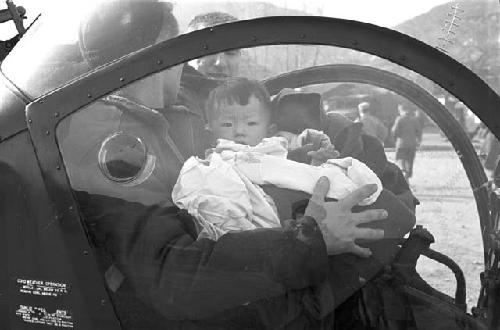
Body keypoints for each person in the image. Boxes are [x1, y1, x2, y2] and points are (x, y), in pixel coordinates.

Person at [61, 1, 395, 328]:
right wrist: (311, 240)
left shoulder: (166, 110)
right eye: (181, 55)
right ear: (162, 53)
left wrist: (301, 147)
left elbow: (229, 120)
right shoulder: (112, 143)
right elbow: (169, 276)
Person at [173, 78, 389, 241]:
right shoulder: (215, 158)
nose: (239, 131)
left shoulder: (277, 147)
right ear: (209, 128)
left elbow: (291, 170)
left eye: (251, 124)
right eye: (228, 125)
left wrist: (315, 160)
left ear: (269, 128)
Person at [391, 104, 422, 180]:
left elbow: (394, 131)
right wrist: (418, 141)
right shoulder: (414, 119)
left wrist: (395, 137)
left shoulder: (399, 119)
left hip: (401, 144)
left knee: (400, 160)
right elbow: (419, 132)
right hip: (412, 144)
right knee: (409, 161)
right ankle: (407, 176)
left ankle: (403, 174)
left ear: (401, 110)